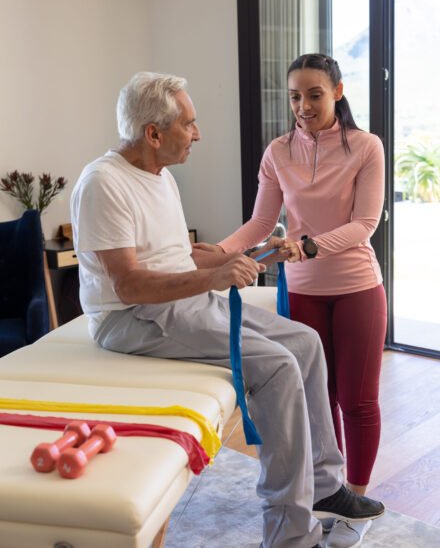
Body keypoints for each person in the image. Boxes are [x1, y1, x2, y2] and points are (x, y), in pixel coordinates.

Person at [70, 71, 385, 548]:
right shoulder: (103, 184)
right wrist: (215, 278)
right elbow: (129, 284)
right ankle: (289, 531)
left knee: (305, 341)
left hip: (182, 300)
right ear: (154, 134)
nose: (197, 134)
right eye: (189, 125)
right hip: (131, 319)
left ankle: (325, 485)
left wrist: (251, 255)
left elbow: (180, 256)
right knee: (277, 368)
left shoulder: (160, 176)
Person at [196, 54, 387, 547]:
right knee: (317, 401)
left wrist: (309, 245)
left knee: (357, 401)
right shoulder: (278, 152)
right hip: (303, 290)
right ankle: (330, 490)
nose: (303, 106)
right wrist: (218, 253)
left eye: (315, 94)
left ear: (338, 92)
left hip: (356, 287)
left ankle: (351, 510)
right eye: (295, 96)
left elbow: (365, 223)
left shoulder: (366, 147)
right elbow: (261, 223)